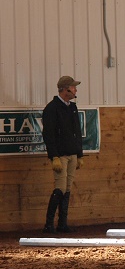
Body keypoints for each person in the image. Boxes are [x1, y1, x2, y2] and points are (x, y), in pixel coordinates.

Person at [41, 75, 84, 233]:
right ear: (65, 89)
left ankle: (62, 223)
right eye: (73, 87)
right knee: (60, 188)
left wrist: (79, 154)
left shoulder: (72, 108)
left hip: (72, 154)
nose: (75, 90)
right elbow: (49, 135)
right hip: (60, 155)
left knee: (67, 189)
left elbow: (77, 132)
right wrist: (54, 156)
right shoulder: (51, 109)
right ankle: (49, 223)